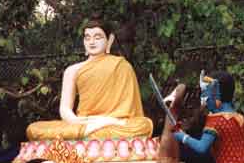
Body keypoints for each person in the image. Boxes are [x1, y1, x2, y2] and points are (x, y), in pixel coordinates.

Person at [25, 17, 153, 141]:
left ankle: (84, 136)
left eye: (98, 37)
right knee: (33, 129)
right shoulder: (72, 70)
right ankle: (88, 133)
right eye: (87, 38)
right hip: (84, 122)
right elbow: (65, 109)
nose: (92, 42)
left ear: (110, 40)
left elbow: (129, 113)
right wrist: (78, 121)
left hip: (115, 123)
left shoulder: (122, 66)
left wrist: (108, 121)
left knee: (143, 125)